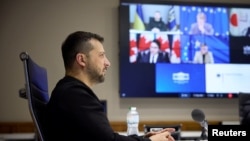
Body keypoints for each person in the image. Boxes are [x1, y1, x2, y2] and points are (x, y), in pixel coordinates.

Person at [44, 31, 175, 141]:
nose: (108, 63)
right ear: (82, 59)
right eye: (101, 55)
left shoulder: (69, 92)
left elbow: (106, 138)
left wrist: (145, 139)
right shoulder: (75, 95)